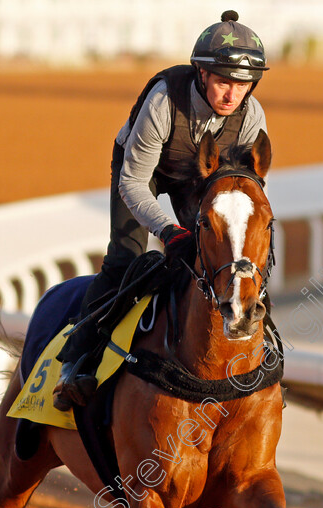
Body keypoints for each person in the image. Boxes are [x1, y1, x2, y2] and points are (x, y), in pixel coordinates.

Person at [53, 10, 269, 411]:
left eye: (242, 85)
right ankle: (75, 362)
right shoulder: (163, 101)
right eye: (223, 82)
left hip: (200, 178)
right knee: (126, 258)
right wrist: (168, 230)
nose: (231, 96)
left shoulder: (252, 118)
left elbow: (244, 195)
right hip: (143, 171)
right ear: (202, 75)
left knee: (220, 256)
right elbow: (133, 182)